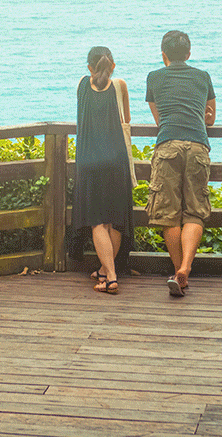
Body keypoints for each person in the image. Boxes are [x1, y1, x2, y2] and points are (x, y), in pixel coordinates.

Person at [145, 30, 216, 297]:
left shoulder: (154, 77)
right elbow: (210, 119)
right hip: (197, 145)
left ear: (163, 54)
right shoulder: (203, 77)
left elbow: (159, 120)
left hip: (168, 145)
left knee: (168, 213)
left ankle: (178, 273)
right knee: (195, 211)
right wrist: (202, 116)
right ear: (188, 53)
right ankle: (186, 266)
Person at [69, 46, 135, 295]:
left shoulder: (81, 85)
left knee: (97, 221)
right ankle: (108, 273)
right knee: (114, 220)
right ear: (113, 65)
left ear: (89, 67)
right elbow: (126, 120)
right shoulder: (120, 86)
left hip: (89, 162)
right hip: (116, 161)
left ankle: (108, 275)